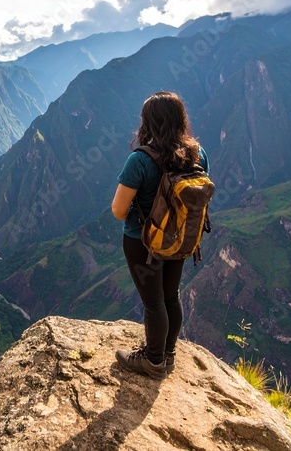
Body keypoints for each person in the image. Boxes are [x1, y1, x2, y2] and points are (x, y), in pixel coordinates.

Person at [110, 91, 209, 380]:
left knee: (153, 302)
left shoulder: (140, 160)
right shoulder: (197, 153)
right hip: (181, 237)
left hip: (143, 242)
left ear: (148, 123)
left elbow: (118, 210)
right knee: (171, 296)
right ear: (181, 120)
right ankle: (167, 353)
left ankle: (153, 361)